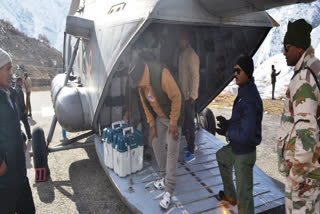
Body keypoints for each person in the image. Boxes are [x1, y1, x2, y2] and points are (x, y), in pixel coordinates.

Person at [129, 54, 184, 210]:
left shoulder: (161, 74)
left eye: (137, 81)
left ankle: (169, 191)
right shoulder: (141, 86)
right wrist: (153, 126)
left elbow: (177, 97)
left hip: (175, 115)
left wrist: (173, 123)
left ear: (142, 75)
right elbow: (147, 108)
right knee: (154, 140)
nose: (137, 85)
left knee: (172, 150)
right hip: (160, 117)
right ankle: (164, 176)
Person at [277, 19, 320, 213]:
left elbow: (307, 132)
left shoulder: (303, 79)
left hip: (305, 176)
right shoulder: (315, 68)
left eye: (287, 48)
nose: (284, 53)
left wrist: (297, 176)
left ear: (298, 48)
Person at [215, 55, 263, 214]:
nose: (234, 73)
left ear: (247, 73)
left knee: (245, 198)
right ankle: (230, 197)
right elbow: (242, 122)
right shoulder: (244, 92)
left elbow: (247, 134)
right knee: (221, 157)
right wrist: (228, 123)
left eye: (238, 70)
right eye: (234, 70)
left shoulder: (249, 99)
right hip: (236, 148)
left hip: (244, 153)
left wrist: (228, 131)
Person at [0, 48, 35, 213]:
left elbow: (13, 123)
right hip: (4, 181)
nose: (12, 73)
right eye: (8, 69)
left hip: (19, 173)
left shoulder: (11, 93)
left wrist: (21, 138)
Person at [178, 31, 200, 163]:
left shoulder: (192, 55)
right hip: (183, 95)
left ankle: (192, 151)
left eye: (181, 40)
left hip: (189, 97)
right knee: (186, 123)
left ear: (186, 41)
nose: (179, 43)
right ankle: (189, 145)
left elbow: (195, 76)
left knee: (190, 124)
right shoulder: (182, 54)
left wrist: (193, 95)